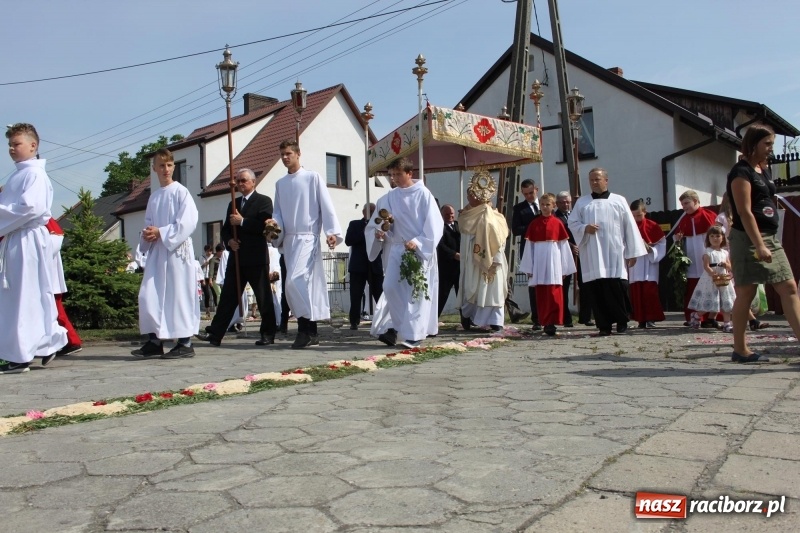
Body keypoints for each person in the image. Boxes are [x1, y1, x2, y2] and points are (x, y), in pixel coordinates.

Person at [727, 123, 800, 363]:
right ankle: (740, 349)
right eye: (767, 143)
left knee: (789, 287)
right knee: (746, 292)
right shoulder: (741, 172)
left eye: (772, 144)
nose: (771, 148)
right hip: (748, 238)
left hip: (769, 237)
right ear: (753, 143)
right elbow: (744, 212)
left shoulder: (761, 169)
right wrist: (759, 245)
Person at [0, 123, 67, 373]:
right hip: (17, 238)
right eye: (9, 144)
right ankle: (45, 344)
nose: (11, 148)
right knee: (25, 295)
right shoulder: (18, 175)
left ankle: (21, 355)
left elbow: (31, 208)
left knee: (24, 296)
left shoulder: (35, 174)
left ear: (33, 145)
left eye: (16, 144)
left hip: (27, 239)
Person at [268, 140, 343, 349]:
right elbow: (278, 213)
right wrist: (274, 226)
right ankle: (311, 331)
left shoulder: (312, 177)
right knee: (300, 286)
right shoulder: (280, 184)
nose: (285, 157)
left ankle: (303, 328)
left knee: (294, 281)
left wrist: (331, 232)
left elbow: (326, 205)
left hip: (308, 237)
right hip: (289, 240)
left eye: (288, 153)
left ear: (298, 154)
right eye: (282, 154)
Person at [366, 157, 443, 348]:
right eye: (391, 175)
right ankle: (402, 328)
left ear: (409, 173)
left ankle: (415, 334)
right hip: (397, 249)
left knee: (416, 291)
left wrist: (418, 242)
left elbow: (435, 224)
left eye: (398, 174)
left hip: (418, 250)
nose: (394, 178)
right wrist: (380, 232)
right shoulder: (387, 198)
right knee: (390, 287)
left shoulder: (423, 195)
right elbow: (376, 224)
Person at [196, 168, 277, 347]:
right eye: (238, 181)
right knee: (228, 297)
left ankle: (268, 333)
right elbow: (226, 229)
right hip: (237, 257)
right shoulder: (234, 203)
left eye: (244, 180)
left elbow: (264, 227)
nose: (240, 184)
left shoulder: (263, 201)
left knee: (263, 297)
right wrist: (229, 241)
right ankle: (215, 333)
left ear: (253, 182)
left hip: (256, 258)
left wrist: (242, 221)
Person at [132, 148, 200, 359]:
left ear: (174, 167)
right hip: (158, 253)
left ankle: (185, 343)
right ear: (154, 169)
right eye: (161, 165)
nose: (166, 169)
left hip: (177, 253)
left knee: (178, 296)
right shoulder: (154, 197)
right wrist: (148, 234)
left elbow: (188, 222)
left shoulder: (181, 192)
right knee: (149, 295)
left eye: (169, 165)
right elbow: (149, 223)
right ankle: (155, 341)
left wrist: (161, 232)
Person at [568, 168, 647, 336]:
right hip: (592, 253)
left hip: (614, 252)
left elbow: (630, 226)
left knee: (617, 287)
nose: (594, 182)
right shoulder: (582, 202)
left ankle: (622, 321)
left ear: (606, 180)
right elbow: (572, 223)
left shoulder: (619, 200)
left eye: (597, 179)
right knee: (596, 289)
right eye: (591, 180)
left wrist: (632, 252)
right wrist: (585, 228)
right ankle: (604, 325)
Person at [456, 171, 508, 331]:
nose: (469, 197)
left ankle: (496, 321)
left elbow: (501, 237)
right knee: (474, 288)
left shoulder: (496, 215)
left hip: (493, 258)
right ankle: (467, 315)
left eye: (472, 194)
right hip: (474, 260)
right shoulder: (467, 215)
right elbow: (466, 238)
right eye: (469, 194)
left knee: (493, 289)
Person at [520, 193, 577, 336]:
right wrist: (529, 267)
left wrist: (565, 268)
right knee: (541, 294)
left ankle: (553, 321)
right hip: (539, 263)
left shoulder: (558, 223)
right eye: (542, 205)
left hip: (554, 263)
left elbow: (564, 247)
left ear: (553, 206)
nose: (545, 207)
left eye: (548, 205)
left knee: (554, 293)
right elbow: (529, 247)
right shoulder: (534, 224)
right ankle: (544, 321)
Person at [673, 190, 718, 327]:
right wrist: (677, 239)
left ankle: (710, 317)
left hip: (706, 254)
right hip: (691, 257)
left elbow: (717, 236)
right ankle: (694, 317)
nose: (684, 207)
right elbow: (677, 237)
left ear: (696, 201)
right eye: (682, 204)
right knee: (693, 287)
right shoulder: (683, 219)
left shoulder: (708, 215)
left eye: (686, 203)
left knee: (710, 285)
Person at [554, 191, 593, 327]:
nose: (565, 204)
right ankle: (566, 319)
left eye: (568, 202)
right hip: (565, 254)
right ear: (557, 203)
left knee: (585, 284)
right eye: (562, 202)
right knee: (564, 286)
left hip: (581, 253)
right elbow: (557, 235)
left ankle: (586, 317)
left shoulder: (577, 215)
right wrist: (570, 245)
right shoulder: (555, 218)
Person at [46, 217, 83, 356]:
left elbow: (55, 241)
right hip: (47, 275)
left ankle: (71, 342)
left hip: (49, 276)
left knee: (56, 311)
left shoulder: (45, 220)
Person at [687, 226, 735, 331]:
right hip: (711, 280)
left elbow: (730, 266)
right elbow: (706, 266)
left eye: (717, 236)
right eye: (712, 236)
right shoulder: (708, 252)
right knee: (710, 301)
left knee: (726, 301)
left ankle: (727, 323)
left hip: (723, 279)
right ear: (708, 238)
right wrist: (713, 274)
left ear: (722, 238)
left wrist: (726, 265)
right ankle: (696, 315)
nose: (715, 238)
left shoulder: (725, 253)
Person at [345, 203, 384, 329]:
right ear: (364, 212)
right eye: (370, 211)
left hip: (374, 265)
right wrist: (365, 231)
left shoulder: (379, 225)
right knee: (356, 295)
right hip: (358, 266)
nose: (372, 213)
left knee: (379, 294)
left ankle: (384, 320)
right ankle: (354, 320)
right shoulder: (355, 224)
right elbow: (348, 241)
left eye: (374, 211)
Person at [628, 199, 666, 329]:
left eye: (639, 215)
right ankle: (640, 319)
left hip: (649, 263)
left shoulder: (653, 226)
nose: (636, 218)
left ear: (645, 212)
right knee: (637, 292)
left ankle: (651, 318)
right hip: (636, 262)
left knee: (650, 292)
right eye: (633, 216)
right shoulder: (629, 226)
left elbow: (661, 244)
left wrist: (651, 250)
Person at [511, 179, 540, 329]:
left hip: (547, 249)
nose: (529, 196)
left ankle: (550, 316)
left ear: (536, 189)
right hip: (529, 249)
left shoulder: (545, 204)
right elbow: (516, 230)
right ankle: (537, 319)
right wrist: (533, 225)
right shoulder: (519, 209)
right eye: (525, 194)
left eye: (531, 193)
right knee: (533, 283)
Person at [436, 204, 460, 317]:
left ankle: (466, 321)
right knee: (442, 294)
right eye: (447, 214)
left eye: (452, 214)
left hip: (459, 267)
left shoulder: (459, 226)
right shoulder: (439, 227)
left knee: (461, 295)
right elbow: (440, 245)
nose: (450, 216)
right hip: (446, 267)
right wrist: (453, 254)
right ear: (441, 215)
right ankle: (434, 318)